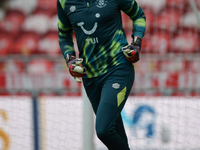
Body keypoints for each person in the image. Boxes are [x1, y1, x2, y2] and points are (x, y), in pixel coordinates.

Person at [57, 0, 146, 149]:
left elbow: (139, 15)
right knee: (115, 134)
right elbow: (64, 35)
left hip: (118, 68)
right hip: (90, 77)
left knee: (104, 130)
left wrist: (136, 43)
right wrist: (70, 59)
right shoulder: (63, 2)